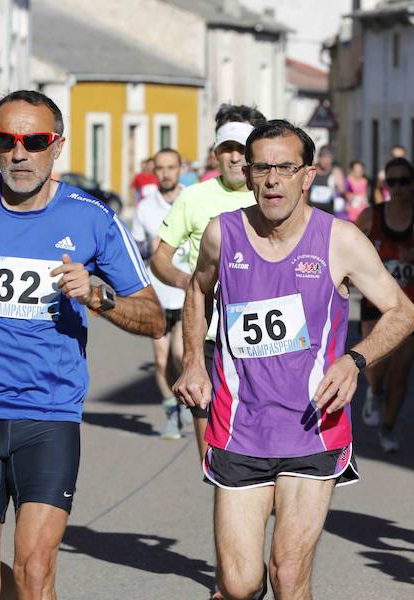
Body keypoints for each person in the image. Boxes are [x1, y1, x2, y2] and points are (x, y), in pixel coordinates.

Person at [0, 90, 165, 599]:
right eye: (6, 140)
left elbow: (153, 318)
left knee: (37, 572)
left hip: (50, 414)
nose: (19, 153)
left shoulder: (92, 217)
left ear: (56, 146)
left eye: (34, 141)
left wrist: (99, 296)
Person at [174, 119, 414, 600]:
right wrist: (193, 361)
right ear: (246, 173)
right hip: (238, 426)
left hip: (313, 429)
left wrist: (354, 360)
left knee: (288, 573)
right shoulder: (223, 234)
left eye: (285, 168)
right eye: (261, 167)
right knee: (240, 585)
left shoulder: (339, 239)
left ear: (307, 176)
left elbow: (402, 311)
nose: (272, 180)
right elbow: (198, 290)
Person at [152, 103, 267, 462]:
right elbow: (159, 258)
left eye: (241, 149)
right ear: (216, 154)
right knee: (214, 459)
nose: (234, 158)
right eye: (226, 149)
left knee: (265, 446)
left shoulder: (273, 192)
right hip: (208, 337)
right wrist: (193, 284)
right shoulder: (195, 197)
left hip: (264, 340)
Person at [356, 157, 414, 452]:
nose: (398, 188)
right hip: (377, 300)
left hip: (413, 305)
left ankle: (387, 428)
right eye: (392, 182)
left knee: (400, 373)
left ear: (413, 185)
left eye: (404, 182)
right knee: (375, 364)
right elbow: (348, 249)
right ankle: (374, 390)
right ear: (385, 186)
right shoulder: (369, 217)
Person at [130, 148, 194, 439]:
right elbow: (136, 248)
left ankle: (184, 401)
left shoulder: (192, 201)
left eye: (171, 167)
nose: (166, 173)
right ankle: (170, 412)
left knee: (180, 354)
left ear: (181, 168)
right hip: (156, 294)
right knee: (160, 359)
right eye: (161, 168)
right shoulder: (145, 207)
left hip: (184, 292)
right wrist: (151, 249)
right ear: (153, 172)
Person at [307, 146, 345, 217]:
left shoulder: (335, 172)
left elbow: (342, 190)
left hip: (328, 213)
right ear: (319, 158)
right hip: (311, 211)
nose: (326, 161)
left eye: (328, 159)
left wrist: (338, 186)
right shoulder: (312, 171)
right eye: (324, 158)